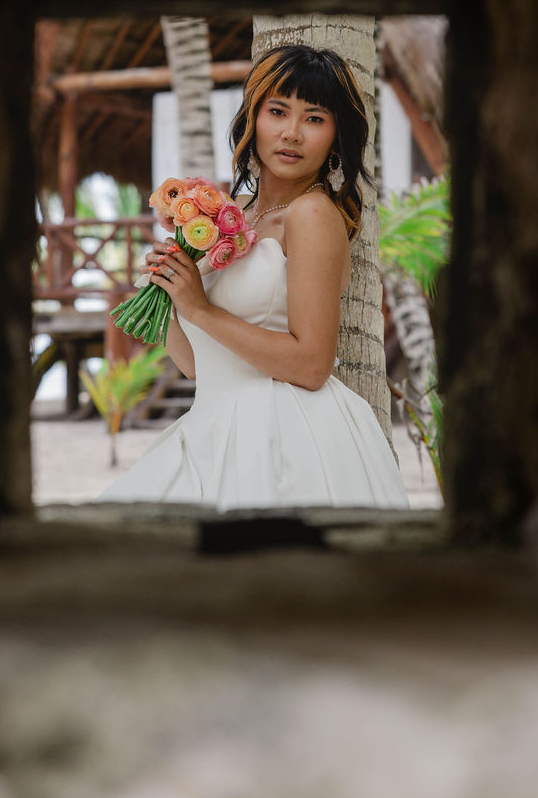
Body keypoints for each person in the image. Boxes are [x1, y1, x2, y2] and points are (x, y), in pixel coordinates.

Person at [96, 43, 410, 510]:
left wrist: (200, 307)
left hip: (285, 438)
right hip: (212, 423)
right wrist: (172, 296)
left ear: (335, 137)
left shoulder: (312, 215)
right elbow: (199, 366)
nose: (292, 133)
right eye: (277, 111)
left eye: (315, 118)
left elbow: (311, 364)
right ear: (252, 120)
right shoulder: (234, 213)